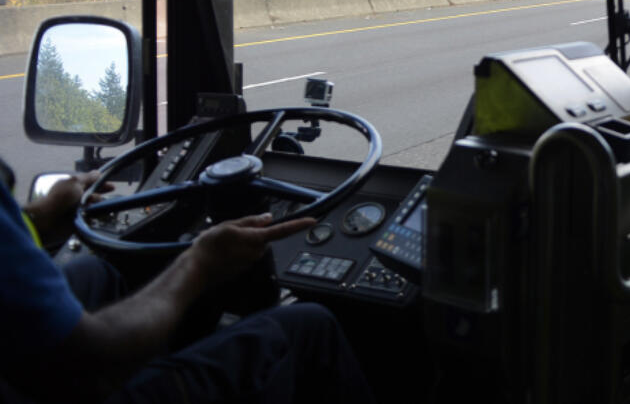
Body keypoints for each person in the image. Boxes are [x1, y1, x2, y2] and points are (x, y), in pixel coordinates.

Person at [0, 162, 375, 403]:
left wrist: (37, 217)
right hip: (74, 370)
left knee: (98, 273)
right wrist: (198, 264)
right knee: (310, 326)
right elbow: (92, 357)